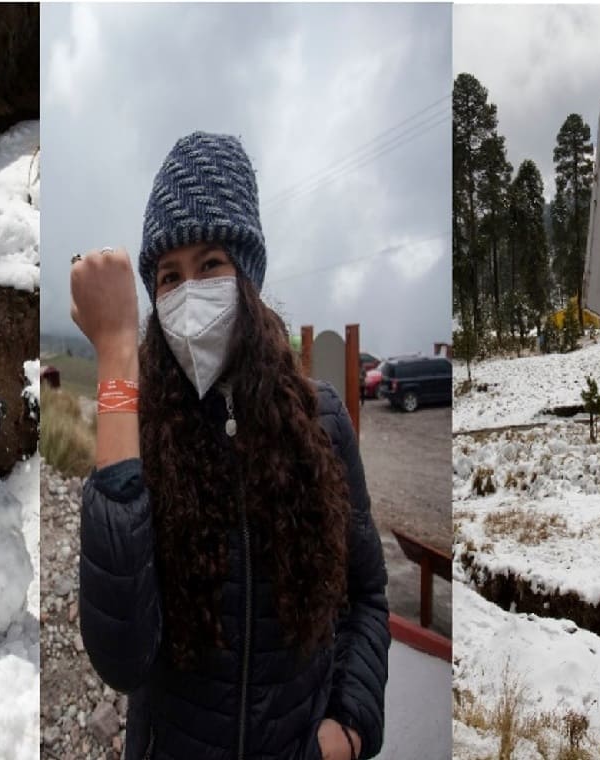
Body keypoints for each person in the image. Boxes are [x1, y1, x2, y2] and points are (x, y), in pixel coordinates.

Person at [73, 132, 390, 760]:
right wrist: (115, 358)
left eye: (210, 264)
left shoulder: (320, 419)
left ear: (247, 275)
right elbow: (123, 657)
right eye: (168, 276)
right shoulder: (137, 430)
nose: (189, 294)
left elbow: (367, 596)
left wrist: (349, 728)